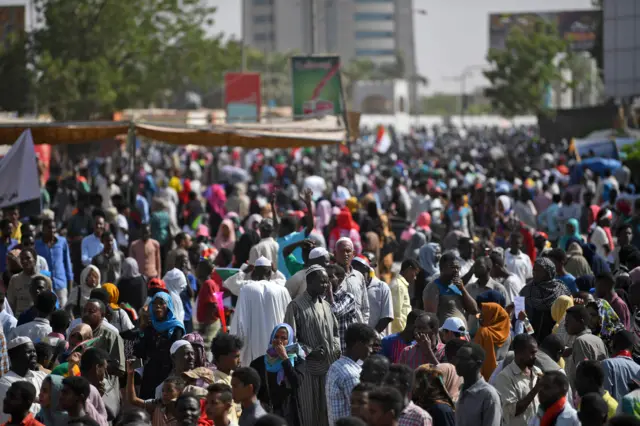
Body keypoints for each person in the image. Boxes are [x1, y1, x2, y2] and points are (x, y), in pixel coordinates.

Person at [283, 265, 341, 426]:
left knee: (326, 416)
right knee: (309, 417)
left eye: (326, 282)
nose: (325, 285)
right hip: (307, 372)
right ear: (309, 281)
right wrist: (309, 352)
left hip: (329, 370)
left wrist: (335, 349)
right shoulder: (295, 306)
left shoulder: (327, 306)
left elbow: (336, 334)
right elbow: (288, 343)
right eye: (321, 282)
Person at [230, 257, 292, 368]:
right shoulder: (282, 290)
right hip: (278, 346)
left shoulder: (246, 289)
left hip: (252, 344)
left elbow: (239, 322)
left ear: (254, 272)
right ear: (270, 272)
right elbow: (289, 322)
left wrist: (244, 270)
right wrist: (276, 270)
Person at [249, 323, 304, 424]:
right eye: (276, 337)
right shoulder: (258, 363)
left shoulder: (296, 361)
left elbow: (296, 382)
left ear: (290, 341)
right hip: (264, 416)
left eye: (283, 338)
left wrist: (285, 358)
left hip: (288, 415)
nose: (279, 341)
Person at [136, 292, 185, 399]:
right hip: (150, 374)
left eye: (162, 303)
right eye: (155, 303)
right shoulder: (149, 328)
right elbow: (140, 352)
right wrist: (141, 330)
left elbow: (176, 354)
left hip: (168, 375)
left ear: (168, 306)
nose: (157, 306)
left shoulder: (176, 328)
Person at [326, 323, 377, 425]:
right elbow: (360, 411)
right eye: (370, 346)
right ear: (358, 345)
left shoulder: (335, 366)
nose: (371, 351)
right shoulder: (352, 375)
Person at [494, 334, 542, 426]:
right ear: (519, 353)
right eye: (532, 353)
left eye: (536, 352)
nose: (535, 356)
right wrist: (536, 389)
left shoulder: (537, 372)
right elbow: (514, 410)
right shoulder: (505, 377)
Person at [520, 257, 571, 342]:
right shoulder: (526, 290)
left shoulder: (561, 289)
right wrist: (526, 322)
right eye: (534, 270)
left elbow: (568, 312)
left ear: (548, 272)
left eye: (538, 271)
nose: (534, 273)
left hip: (554, 340)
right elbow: (520, 319)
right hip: (530, 340)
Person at [452, 342, 502, 426]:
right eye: (457, 358)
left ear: (478, 364)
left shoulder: (488, 395)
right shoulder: (462, 390)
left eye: (463, 359)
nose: (457, 363)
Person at [423, 252, 478, 327]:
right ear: (441, 268)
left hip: (461, 334)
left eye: (458, 267)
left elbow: (474, 310)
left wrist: (462, 289)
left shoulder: (456, 287)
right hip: (446, 336)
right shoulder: (433, 287)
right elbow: (431, 318)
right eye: (452, 267)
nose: (456, 270)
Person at [0, 337, 47, 424]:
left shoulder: (42, 376)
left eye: (34, 351)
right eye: (29, 352)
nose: (34, 355)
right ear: (14, 356)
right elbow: (26, 411)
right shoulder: (5, 382)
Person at [564, 305, 608, 384]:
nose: (565, 325)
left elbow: (582, 375)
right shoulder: (598, 339)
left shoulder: (580, 341)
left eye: (568, 321)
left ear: (581, 321)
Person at [35, 218, 73, 307]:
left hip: (61, 284)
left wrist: (70, 286)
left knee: (63, 310)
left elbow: (67, 264)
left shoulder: (62, 241)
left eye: (53, 228)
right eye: (49, 228)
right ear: (43, 229)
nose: (52, 230)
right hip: (45, 284)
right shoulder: (37, 245)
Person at [81, 299, 126, 374]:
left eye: (91, 312)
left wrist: (97, 365)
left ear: (102, 315)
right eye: (84, 311)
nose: (86, 314)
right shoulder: (77, 332)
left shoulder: (111, 335)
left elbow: (120, 369)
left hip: (105, 384)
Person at [351, 255, 394, 333]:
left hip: (377, 339)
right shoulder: (352, 287)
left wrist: (372, 335)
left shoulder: (382, 287)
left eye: (361, 273)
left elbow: (386, 317)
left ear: (368, 272)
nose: (359, 277)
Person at [325, 264, 361, 352]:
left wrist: (330, 293)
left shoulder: (348, 297)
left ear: (340, 280)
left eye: (330, 277)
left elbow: (335, 312)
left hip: (344, 350)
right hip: (329, 351)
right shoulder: (321, 298)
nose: (326, 280)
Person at [334, 238, 370, 323]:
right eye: (342, 251)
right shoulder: (330, 276)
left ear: (353, 254)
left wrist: (363, 325)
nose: (345, 254)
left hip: (357, 329)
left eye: (348, 251)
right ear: (335, 254)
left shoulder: (359, 276)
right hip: (337, 330)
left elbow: (365, 307)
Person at [211, 333, 243, 424]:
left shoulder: (234, 377)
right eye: (236, 357)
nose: (239, 360)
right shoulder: (217, 383)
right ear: (221, 358)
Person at [474, 302, 511, 380]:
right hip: (499, 374)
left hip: (483, 376)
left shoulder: (483, 332)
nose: (481, 317)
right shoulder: (508, 334)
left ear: (492, 317)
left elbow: (475, 355)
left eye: (484, 314)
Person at [7, 250, 48, 318]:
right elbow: (10, 304)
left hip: (37, 320)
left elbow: (49, 304)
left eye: (28, 258)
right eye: (22, 259)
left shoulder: (44, 280)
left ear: (35, 260)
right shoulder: (15, 279)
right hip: (19, 320)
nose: (24, 261)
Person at [601, 330, 640, 401]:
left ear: (614, 345)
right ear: (632, 348)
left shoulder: (608, 364)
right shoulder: (638, 368)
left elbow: (605, 396)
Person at [389, 260, 419, 334]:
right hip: (399, 331)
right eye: (415, 273)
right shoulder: (399, 286)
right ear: (409, 270)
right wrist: (403, 333)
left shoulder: (401, 285)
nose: (415, 278)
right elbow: (397, 314)